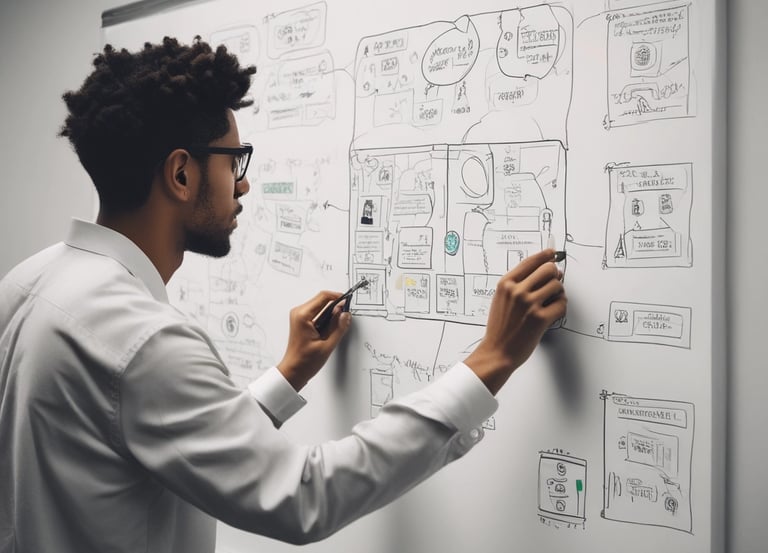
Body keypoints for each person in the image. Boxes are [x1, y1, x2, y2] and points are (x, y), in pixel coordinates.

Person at [0, 37, 566, 553]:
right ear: (180, 174)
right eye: (234, 161)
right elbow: (303, 496)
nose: (243, 183)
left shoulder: (26, 285)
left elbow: (156, 433)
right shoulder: (144, 342)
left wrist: (288, 372)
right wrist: (490, 358)